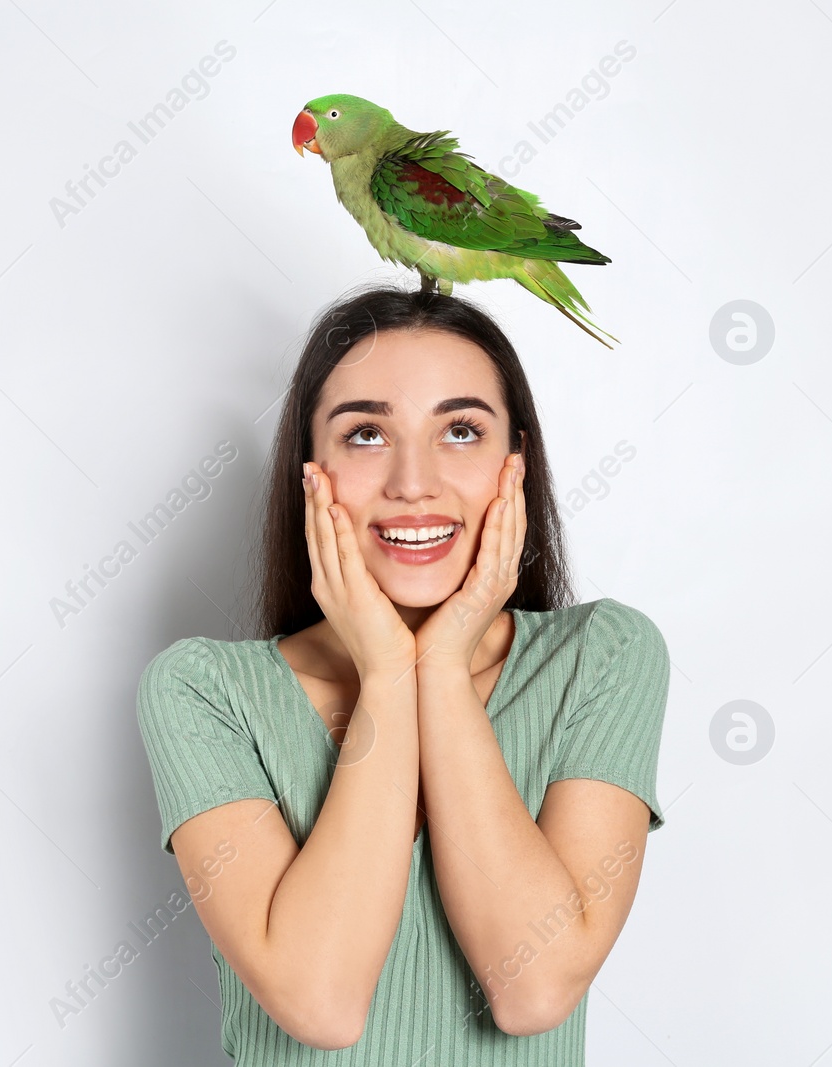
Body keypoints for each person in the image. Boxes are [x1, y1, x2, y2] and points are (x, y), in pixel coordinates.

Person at [135, 284, 671, 1064]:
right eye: (365, 435)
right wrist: (389, 671)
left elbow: (534, 990)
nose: (413, 481)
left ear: (513, 466)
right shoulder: (203, 691)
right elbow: (321, 1001)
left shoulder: (604, 657)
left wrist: (443, 668)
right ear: (308, 470)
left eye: (460, 429)